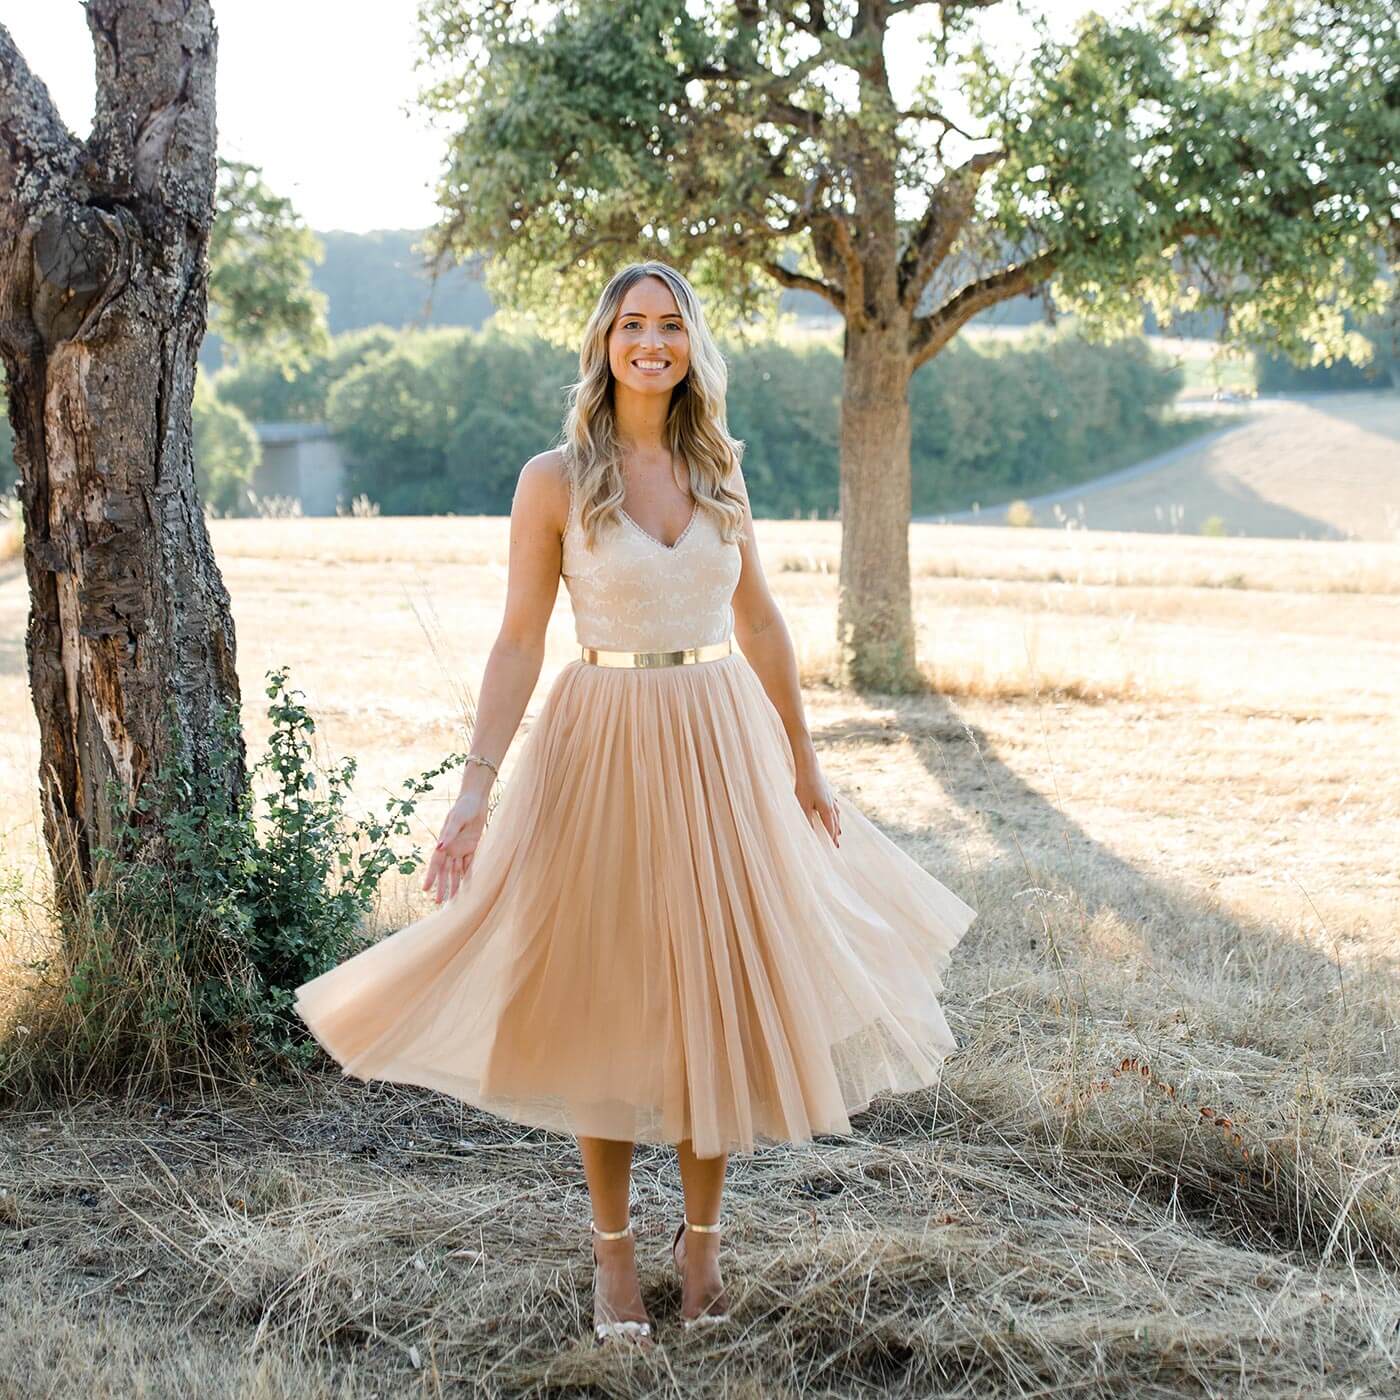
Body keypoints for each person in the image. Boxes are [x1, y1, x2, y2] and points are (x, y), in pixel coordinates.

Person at [293, 260, 978, 1347]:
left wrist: (803, 760)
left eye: (667, 325)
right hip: (598, 741)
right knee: (605, 997)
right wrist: (472, 789)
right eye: (630, 325)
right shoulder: (554, 478)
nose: (649, 342)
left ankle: (698, 1243)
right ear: (603, 342)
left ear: (690, 344)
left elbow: (759, 624)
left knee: (715, 991)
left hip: (717, 742)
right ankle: (613, 1255)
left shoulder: (718, 467)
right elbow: (519, 637)